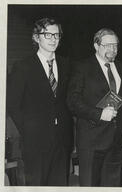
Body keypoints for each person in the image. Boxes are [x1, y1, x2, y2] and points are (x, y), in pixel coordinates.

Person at [6, 18, 74, 186]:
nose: (53, 39)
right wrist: (30, 129)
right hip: (35, 142)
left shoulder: (67, 65)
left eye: (56, 35)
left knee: (60, 185)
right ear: (36, 38)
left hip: (62, 139)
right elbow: (13, 104)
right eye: (47, 34)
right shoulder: (23, 67)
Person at [67, 28, 122, 187]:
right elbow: (72, 101)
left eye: (115, 45)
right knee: (90, 184)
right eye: (108, 45)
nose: (113, 49)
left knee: (113, 184)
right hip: (92, 139)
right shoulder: (82, 67)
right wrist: (98, 114)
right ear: (96, 46)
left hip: (117, 137)